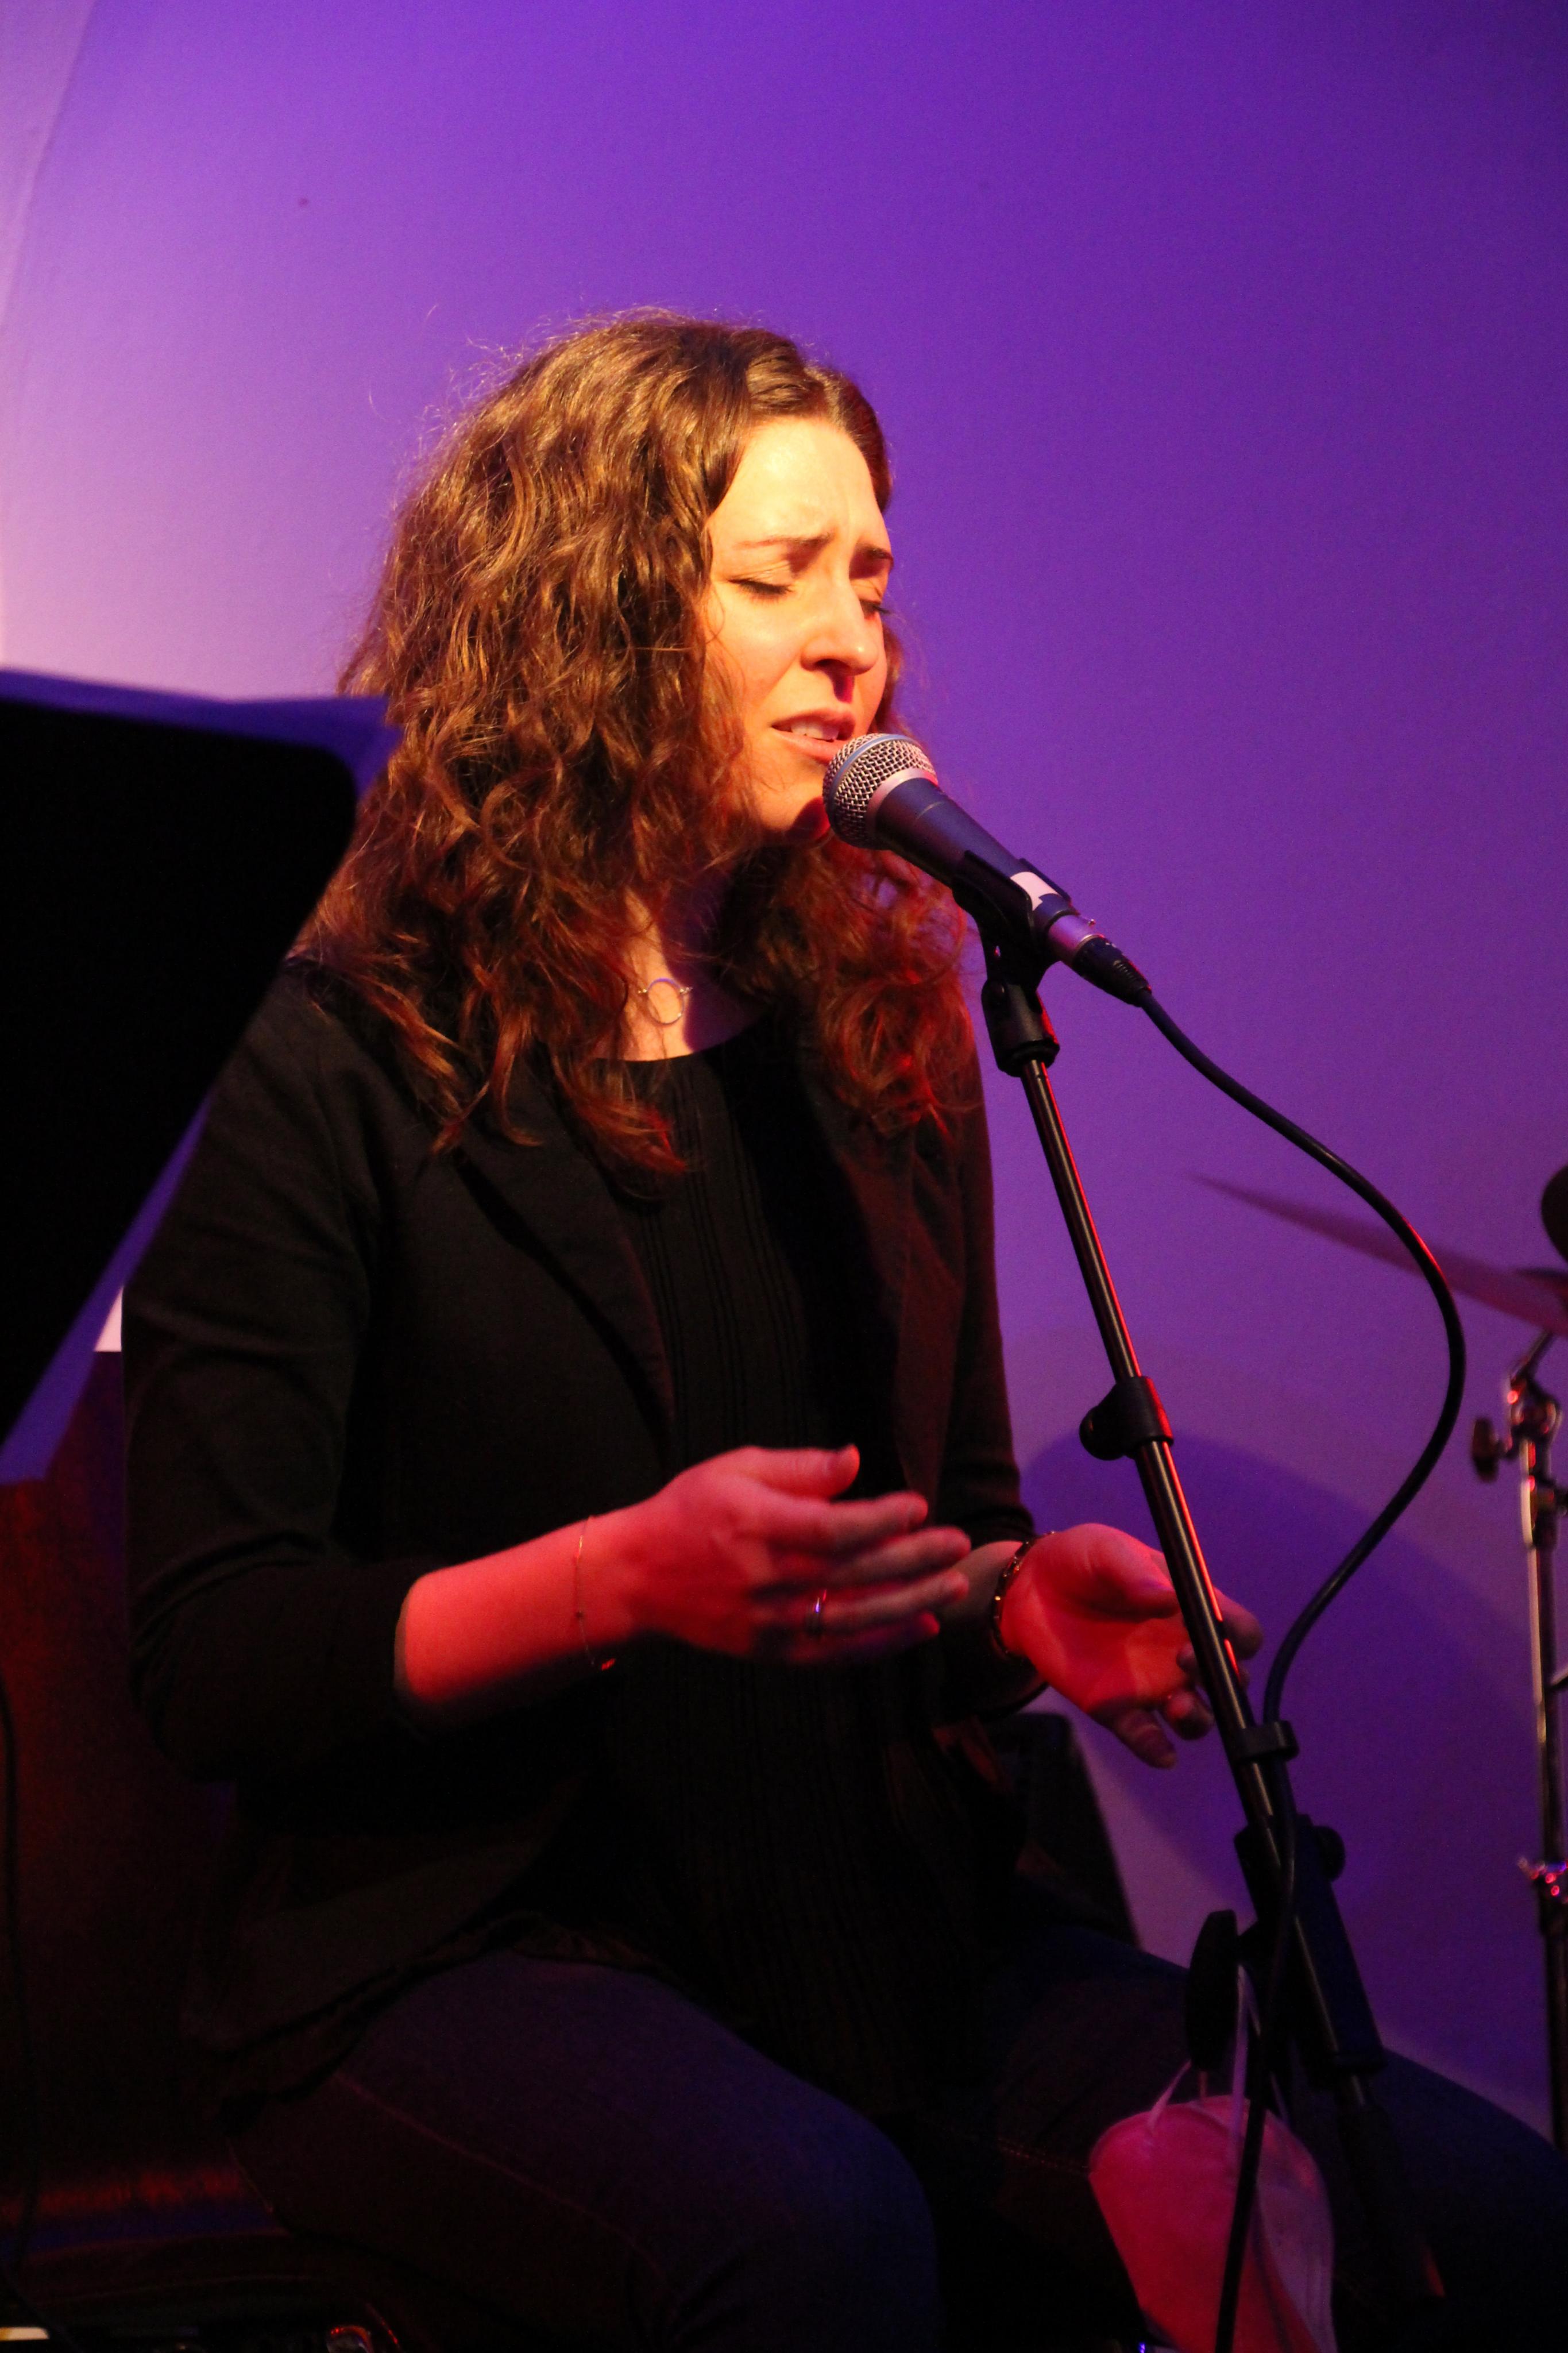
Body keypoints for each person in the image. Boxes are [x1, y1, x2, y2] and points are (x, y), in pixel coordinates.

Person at [125, 316, 1568, 2353]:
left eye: (870, 584)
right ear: (586, 614)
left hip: (870, 1921)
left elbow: (929, 1529)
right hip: (453, 1941)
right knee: (813, 2241)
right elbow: (213, 1658)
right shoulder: (327, 1046)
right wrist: (622, 1581)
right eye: (776, 577)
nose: (850, 648)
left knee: (1482, 2216)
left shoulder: (887, 1026)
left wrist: (1008, 1606)